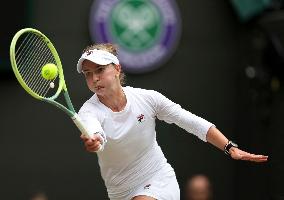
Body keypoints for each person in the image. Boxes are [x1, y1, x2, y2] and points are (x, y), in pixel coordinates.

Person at [76, 43, 268, 200]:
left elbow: (190, 122)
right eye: (88, 73)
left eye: (100, 70)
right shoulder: (88, 111)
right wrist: (96, 141)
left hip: (157, 177)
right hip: (119, 192)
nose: (94, 78)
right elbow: (96, 133)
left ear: (117, 69)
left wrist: (229, 147)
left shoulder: (147, 98)